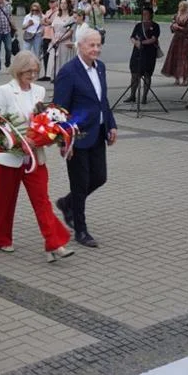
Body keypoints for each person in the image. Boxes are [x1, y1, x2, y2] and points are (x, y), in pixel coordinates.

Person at [0, 51, 73, 262]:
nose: (32, 75)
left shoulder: (39, 90)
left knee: (42, 200)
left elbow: (44, 121)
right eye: (27, 71)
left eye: (35, 71)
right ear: (18, 70)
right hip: (9, 157)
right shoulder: (4, 91)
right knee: (3, 200)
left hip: (34, 157)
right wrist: (19, 142)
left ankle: (54, 243)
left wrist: (50, 136)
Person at [53, 27, 118, 248]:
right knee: (80, 184)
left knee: (99, 177)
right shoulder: (68, 72)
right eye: (92, 45)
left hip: (97, 132)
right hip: (77, 136)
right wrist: (64, 140)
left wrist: (111, 124)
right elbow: (59, 109)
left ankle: (67, 203)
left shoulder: (100, 68)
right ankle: (81, 230)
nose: (96, 49)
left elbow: (102, 100)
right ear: (79, 46)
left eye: (99, 45)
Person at [124, 7, 161, 104]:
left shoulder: (155, 26)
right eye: (143, 14)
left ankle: (144, 97)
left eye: (146, 14)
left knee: (147, 74)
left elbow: (153, 39)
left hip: (149, 53)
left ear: (151, 15)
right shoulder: (138, 25)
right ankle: (132, 95)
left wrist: (142, 43)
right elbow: (132, 37)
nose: (144, 16)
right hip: (137, 52)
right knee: (134, 74)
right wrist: (136, 42)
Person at [161, 0, 188, 86]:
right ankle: (177, 78)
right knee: (175, 58)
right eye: (180, 7)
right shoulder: (176, 16)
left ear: (186, 8)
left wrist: (178, 27)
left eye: (183, 7)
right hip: (177, 39)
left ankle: (185, 79)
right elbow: (172, 28)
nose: (181, 8)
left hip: (186, 40)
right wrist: (173, 26)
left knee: (185, 59)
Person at [39, 0, 59, 80]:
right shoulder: (48, 12)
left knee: (53, 55)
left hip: (52, 35)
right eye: (50, 2)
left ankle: (52, 73)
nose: (51, 4)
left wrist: (47, 21)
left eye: (53, 2)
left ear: (56, 2)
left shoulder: (58, 12)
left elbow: (53, 22)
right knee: (45, 55)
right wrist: (47, 22)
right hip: (46, 35)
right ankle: (46, 73)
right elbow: (43, 22)